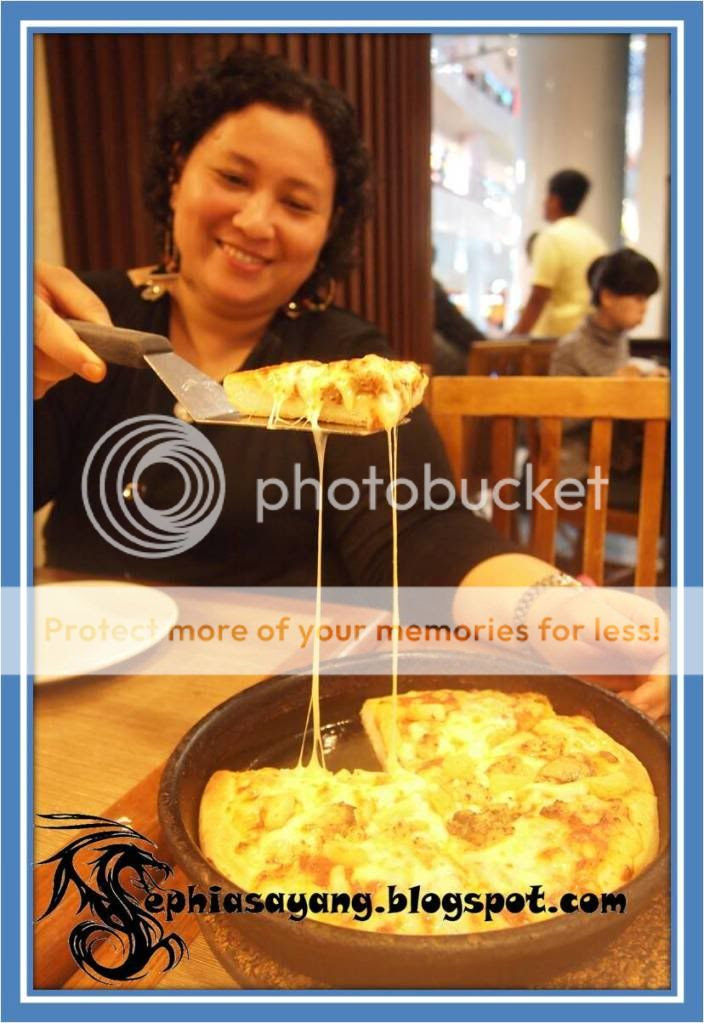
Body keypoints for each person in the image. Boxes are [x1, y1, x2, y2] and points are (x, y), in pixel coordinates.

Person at [34, 51, 667, 717]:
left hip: (276, 707)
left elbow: (419, 529)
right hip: (73, 704)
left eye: (296, 203)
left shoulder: (344, 365)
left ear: (328, 228)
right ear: (176, 171)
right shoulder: (80, 324)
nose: (256, 221)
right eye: (232, 177)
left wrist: (559, 611)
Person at [550, 248, 665, 485]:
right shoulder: (571, 347)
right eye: (638, 298)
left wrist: (646, 381)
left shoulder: (618, 340)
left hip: (612, 459)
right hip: (578, 469)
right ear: (607, 297)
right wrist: (611, 391)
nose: (644, 308)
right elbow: (556, 421)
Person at [510, 169, 607, 338]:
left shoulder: (551, 237)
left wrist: (515, 336)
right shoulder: (597, 241)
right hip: (585, 336)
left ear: (554, 200)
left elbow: (539, 296)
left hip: (552, 340)